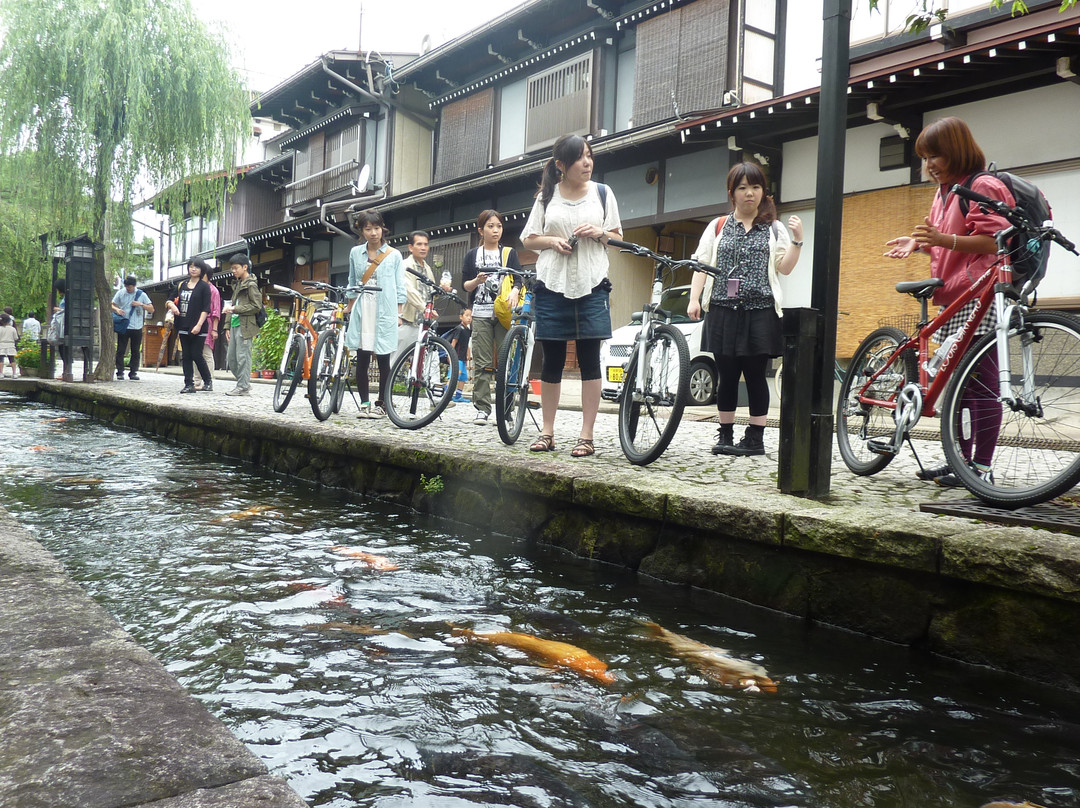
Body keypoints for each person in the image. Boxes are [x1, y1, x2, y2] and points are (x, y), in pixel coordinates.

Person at [884, 116, 1013, 487]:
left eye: (936, 155)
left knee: (982, 384)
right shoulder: (945, 191)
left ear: (956, 150)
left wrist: (941, 240)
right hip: (956, 296)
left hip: (982, 295)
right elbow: (942, 237)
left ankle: (980, 467)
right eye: (925, 158)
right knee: (959, 384)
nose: (930, 165)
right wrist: (920, 243)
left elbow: (995, 241)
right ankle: (960, 462)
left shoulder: (981, 184)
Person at [687, 161, 803, 458]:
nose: (749, 193)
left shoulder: (774, 229)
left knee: (754, 375)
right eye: (742, 188)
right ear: (732, 193)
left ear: (763, 192)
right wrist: (694, 298)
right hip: (723, 309)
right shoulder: (718, 226)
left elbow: (784, 268)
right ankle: (725, 433)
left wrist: (798, 242)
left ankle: (755, 437)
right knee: (726, 374)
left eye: (755, 187)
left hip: (760, 311)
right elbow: (702, 264)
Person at [521, 134, 622, 457]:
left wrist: (599, 233)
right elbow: (528, 239)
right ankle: (547, 432)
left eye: (590, 156)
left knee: (590, 361)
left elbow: (618, 236)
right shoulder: (545, 197)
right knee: (551, 362)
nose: (588, 163)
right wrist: (552, 241)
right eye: (580, 158)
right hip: (552, 284)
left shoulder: (603, 194)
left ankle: (586, 435)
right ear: (561, 165)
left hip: (592, 284)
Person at [462, 209, 523, 426]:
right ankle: (482, 408)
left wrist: (516, 290)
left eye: (498, 226)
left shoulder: (508, 253)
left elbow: (519, 278)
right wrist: (477, 281)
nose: (495, 230)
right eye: (490, 226)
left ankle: (506, 409)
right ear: (481, 230)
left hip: (504, 312)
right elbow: (465, 285)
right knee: (482, 363)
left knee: (508, 361)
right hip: (480, 312)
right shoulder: (472, 255)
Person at [343, 209, 406, 419]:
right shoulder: (355, 253)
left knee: (383, 360)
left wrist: (398, 314)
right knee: (361, 358)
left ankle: (382, 404)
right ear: (361, 231)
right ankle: (363, 403)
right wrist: (350, 306)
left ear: (382, 229)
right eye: (368, 229)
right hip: (363, 308)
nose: (373, 233)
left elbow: (400, 286)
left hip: (384, 309)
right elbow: (352, 281)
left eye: (376, 228)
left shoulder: (394, 255)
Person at [398, 230, 450, 362]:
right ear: (410, 247)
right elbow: (409, 292)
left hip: (423, 323)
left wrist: (442, 290)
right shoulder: (405, 266)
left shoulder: (427, 268)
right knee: (396, 360)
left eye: (426, 244)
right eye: (419, 244)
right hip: (407, 321)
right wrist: (425, 308)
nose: (423, 248)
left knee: (424, 362)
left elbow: (430, 293)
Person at [166, 259, 213, 394]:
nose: (193, 269)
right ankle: (188, 384)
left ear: (201, 270)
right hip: (183, 324)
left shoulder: (204, 287)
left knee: (197, 354)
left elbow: (206, 308)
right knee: (186, 355)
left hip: (199, 326)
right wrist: (173, 306)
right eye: (191, 266)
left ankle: (208, 381)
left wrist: (198, 325)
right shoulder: (182, 285)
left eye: (196, 267)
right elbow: (169, 299)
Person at [221, 253, 262, 397]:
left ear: (245, 267)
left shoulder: (251, 285)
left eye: (235, 268)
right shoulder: (238, 283)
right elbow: (232, 305)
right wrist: (227, 326)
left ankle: (243, 386)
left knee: (243, 357)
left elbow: (256, 306)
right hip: (234, 324)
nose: (233, 271)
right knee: (231, 359)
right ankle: (244, 384)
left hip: (245, 326)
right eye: (232, 268)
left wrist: (235, 309)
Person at [111, 275, 154, 381]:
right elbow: (111, 304)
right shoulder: (121, 292)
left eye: (129, 287)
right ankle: (120, 371)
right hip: (125, 325)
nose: (128, 288)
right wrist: (117, 310)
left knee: (135, 350)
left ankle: (133, 372)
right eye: (126, 286)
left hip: (137, 326)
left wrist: (141, 304)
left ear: (134, 286)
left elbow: (152, 309)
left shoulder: (141, 294)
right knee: (121, 349)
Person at [196, 263, 221, 388]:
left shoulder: (213, 291)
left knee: (206, 352)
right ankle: (196, 381)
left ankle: (209, 379)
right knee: (196, 352)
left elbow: (216, 312)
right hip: (196, 323)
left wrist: (215, 329)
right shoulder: (197, 287)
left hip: (208, 323)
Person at [448, 307, 472, 403]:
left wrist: (468, 355)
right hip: (457, 357)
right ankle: (447, 394)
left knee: (463, 378)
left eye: (470, 316)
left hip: (463, 358)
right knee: (454, 376)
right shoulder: (459, 328)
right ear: (461, 317)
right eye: (467, 316)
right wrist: (450, 354)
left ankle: (458, 396)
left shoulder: (467, 330)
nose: (469, 318)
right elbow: (454, 342)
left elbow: (467, 344)